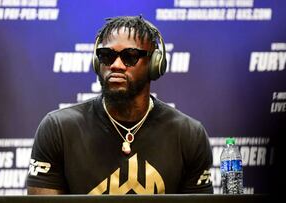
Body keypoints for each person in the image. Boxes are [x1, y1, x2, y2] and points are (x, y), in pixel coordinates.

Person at [26, 15, 213, 195]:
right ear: (96, 62)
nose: (116, 65)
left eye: (130, 56)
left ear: (155, 63)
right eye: (106, 55)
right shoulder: (58, 129)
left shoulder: (188, 135)